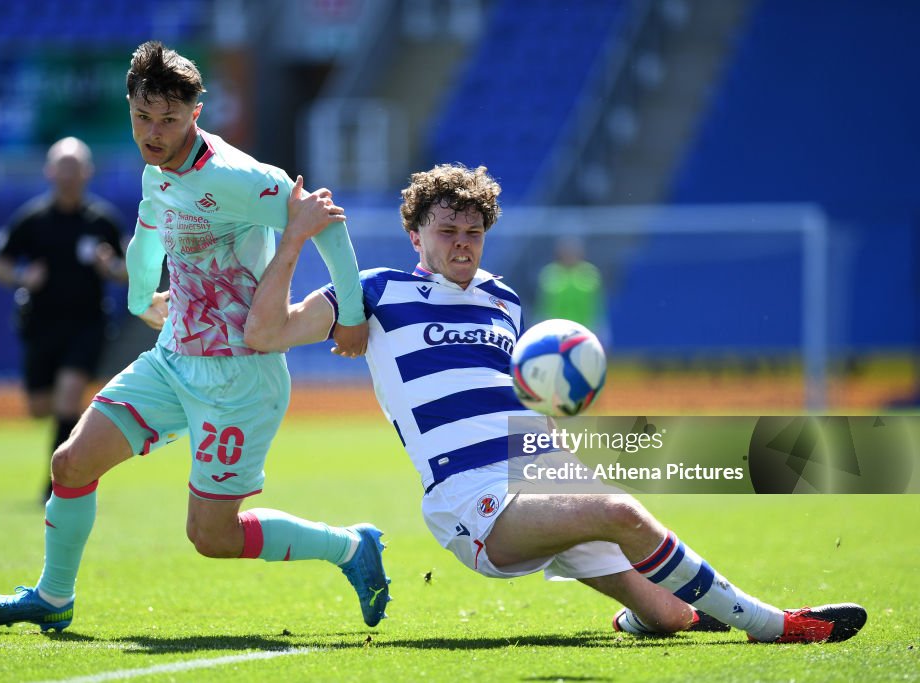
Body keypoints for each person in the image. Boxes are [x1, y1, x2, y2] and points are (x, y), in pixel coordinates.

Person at [243, 163, 867, 644]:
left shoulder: (505, 300)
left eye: (474, 231)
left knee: (673, 618)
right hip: (472, 499)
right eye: (447, 230)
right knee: (618, 510)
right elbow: (265, 333)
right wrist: (295, 239)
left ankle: (644, 617)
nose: (463, 243)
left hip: (537, 467)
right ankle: (779, 625)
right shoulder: (376, 291)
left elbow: (517, 399)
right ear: (415, 235)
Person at [0, 41, 390, 632]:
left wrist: (350, 312)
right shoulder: (156, 173)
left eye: (168, 119)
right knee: (69, 464)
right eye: (143, 117)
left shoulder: (240, 177)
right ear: (130, 108)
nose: (153, 131)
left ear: (196, 113)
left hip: (239, 378)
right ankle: (54, 595)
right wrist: (144, 300)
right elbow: (146, 235)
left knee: (211, 537)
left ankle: (350, 547)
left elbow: (322, 220)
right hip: (171, 360)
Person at [0, 137, 128, 502]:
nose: (68, 176)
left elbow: (130, 268)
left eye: (75, 168)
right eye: (62, 168)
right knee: (40, 408)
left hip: (87, 323)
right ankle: (74, 437)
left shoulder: (103, 221)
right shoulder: (33, 220)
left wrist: (109, 266)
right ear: (50, 172)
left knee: (68, 395)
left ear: (87, 172)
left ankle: (58, 485)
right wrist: (23, 277)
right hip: (41, 324)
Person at [537, 237, 609, 343]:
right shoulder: (550, 273)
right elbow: (542, 306)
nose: (569, 255)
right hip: (556, 332)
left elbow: (598, 306)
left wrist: (601, 330)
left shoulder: (589, 273)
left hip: (584, 332)